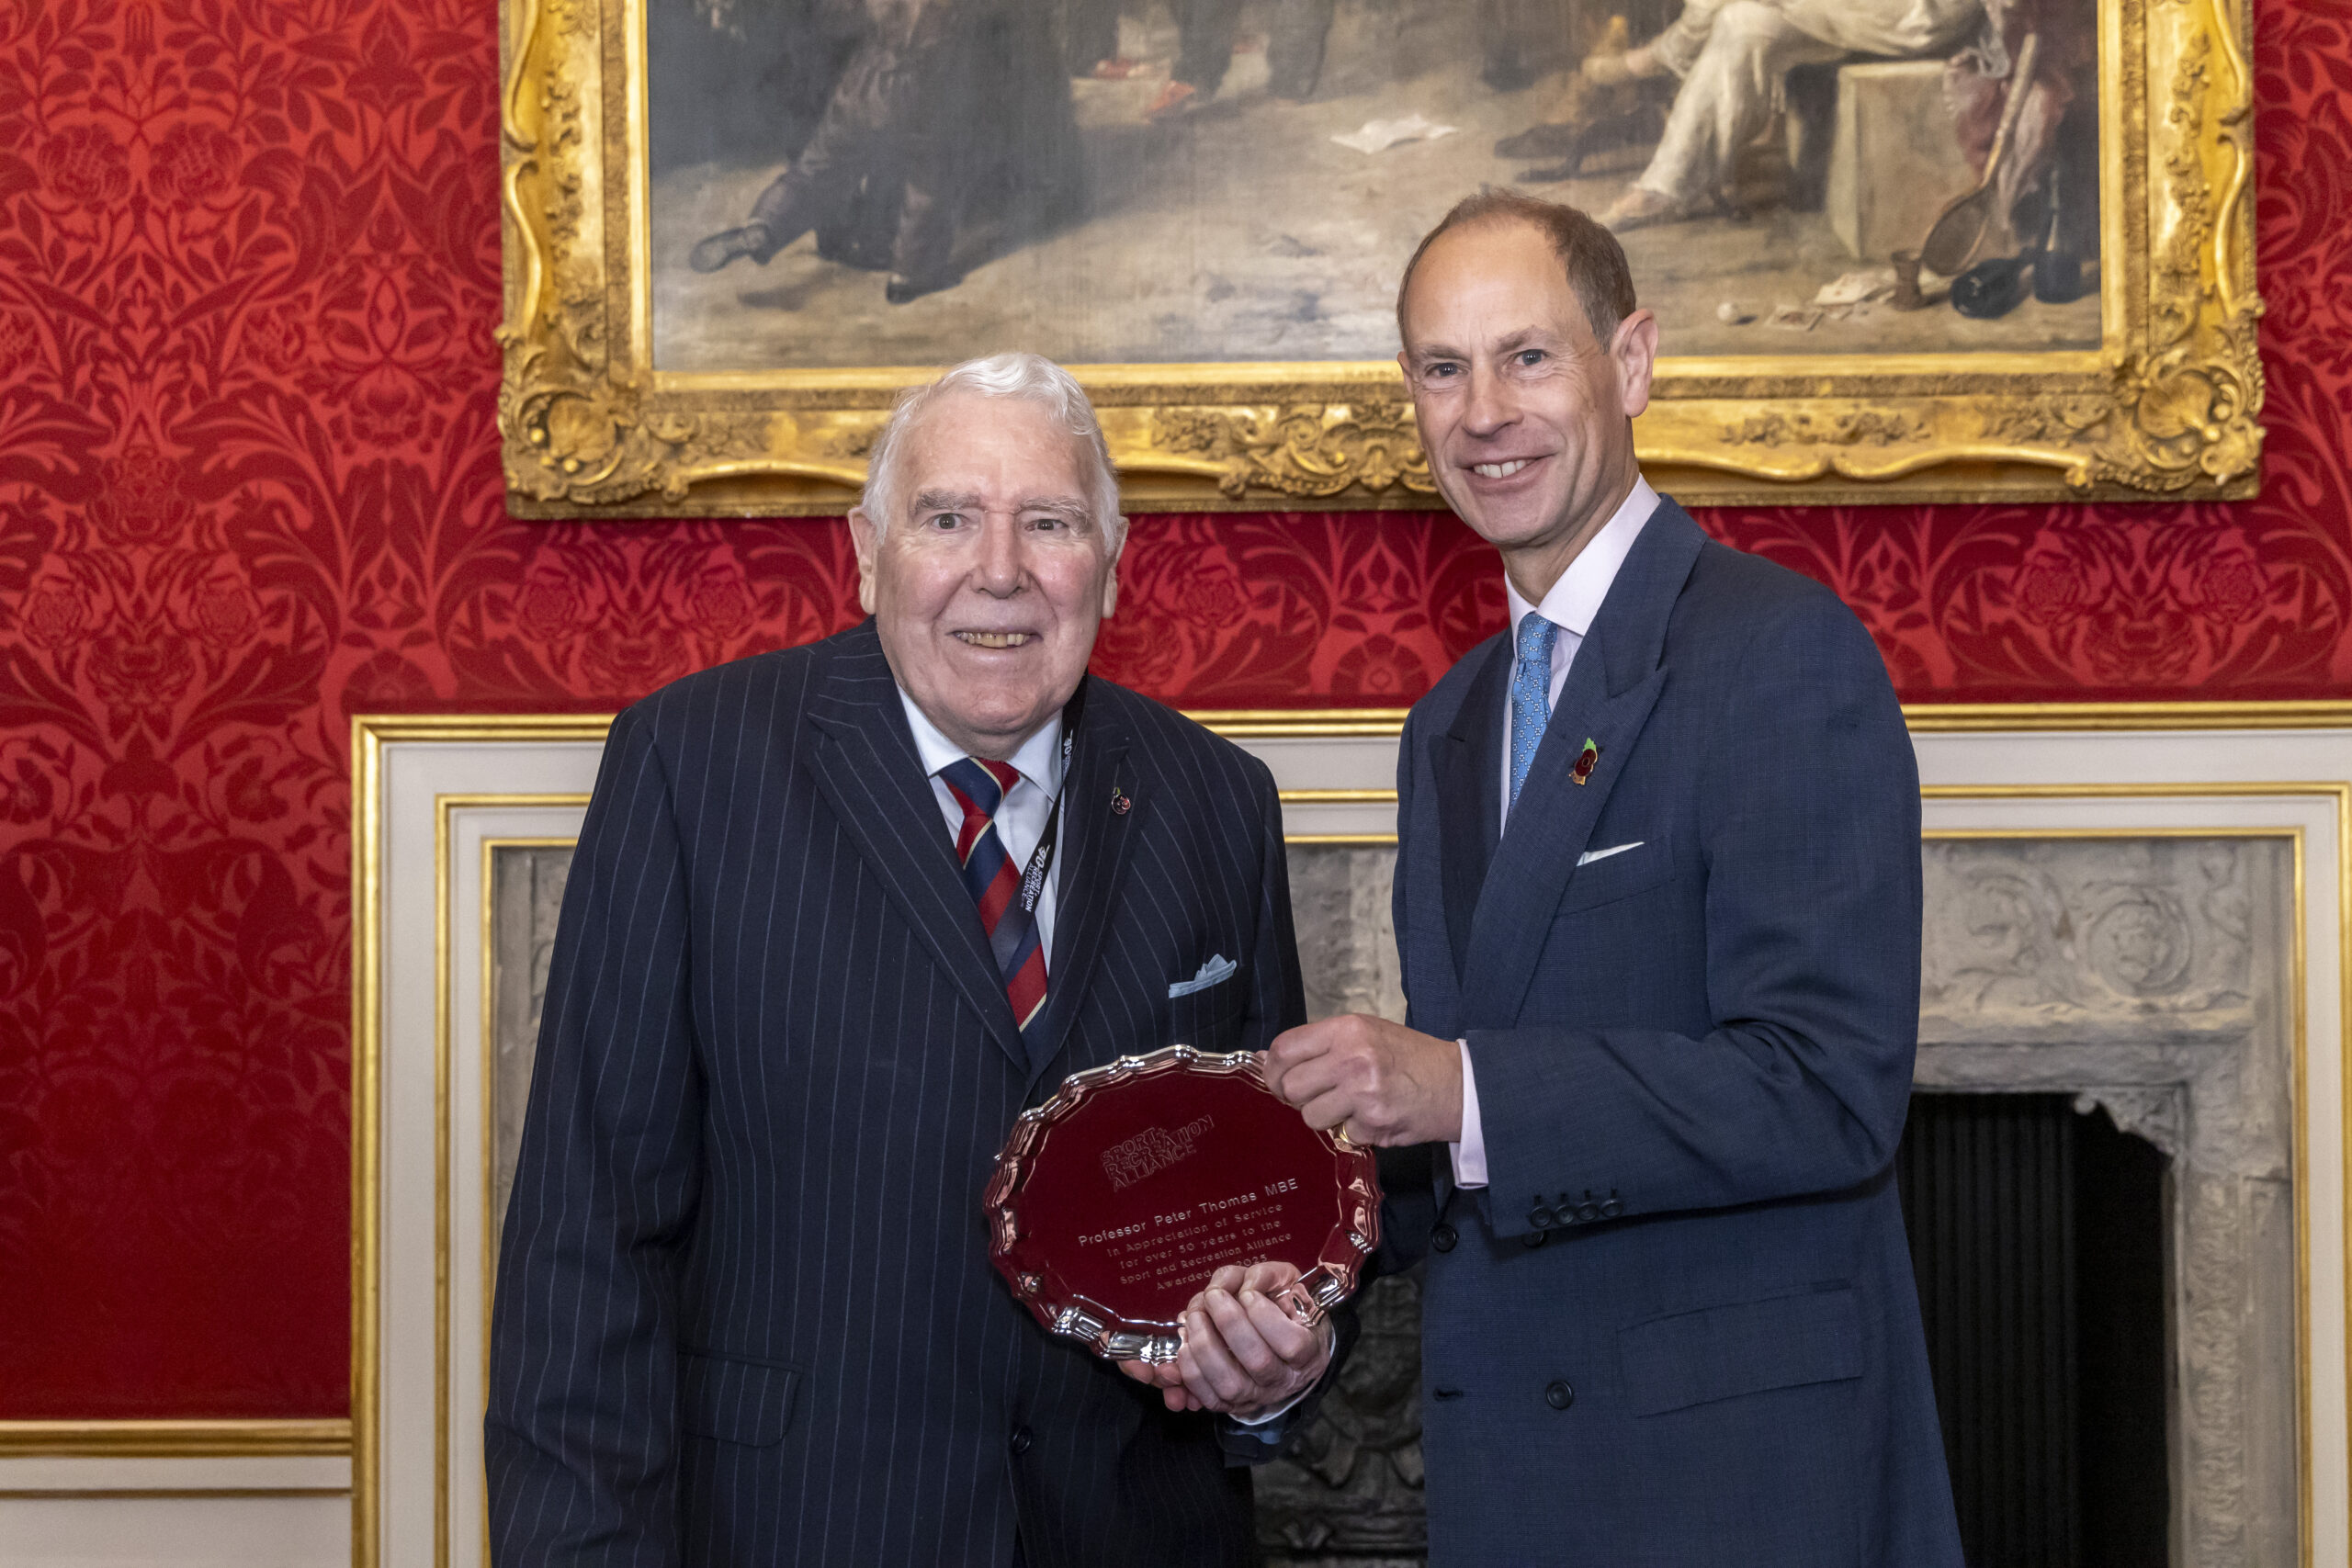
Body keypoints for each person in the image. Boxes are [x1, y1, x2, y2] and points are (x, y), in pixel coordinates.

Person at [486, 352, 1338, 1566]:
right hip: (801, 1528)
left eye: (1048, 522)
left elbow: (1278, 1202)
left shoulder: (1216, 798)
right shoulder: (694, 766)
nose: (1001, 569)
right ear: (869, 551)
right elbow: (589, 1240)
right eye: (949, 518)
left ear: (1110, 558)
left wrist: (1277, 1365)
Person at [1262, 191, 1963, 1564]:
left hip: (1739, 1488)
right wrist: (1293, 1258)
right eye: (1442, 369)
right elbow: (1459, 1145)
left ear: (1629, 362)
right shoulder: (1449, 722)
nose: (1483, 413)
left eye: (1528, 356)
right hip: (1519, 1478)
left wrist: (1458, 1088)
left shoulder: (1780, 651)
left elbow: (1828, 1085)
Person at [688, 1, 1081, 302]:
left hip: (864, 85)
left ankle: (764, 227)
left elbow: (839, 17)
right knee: (929, 183)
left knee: (816, 169)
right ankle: (912, 275)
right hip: (927, 90)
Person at [1587, 0, 1984, 230]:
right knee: (1743, 24)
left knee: (1737, 10)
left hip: (1922, 9)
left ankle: (1657, 58)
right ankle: (1665, 185)